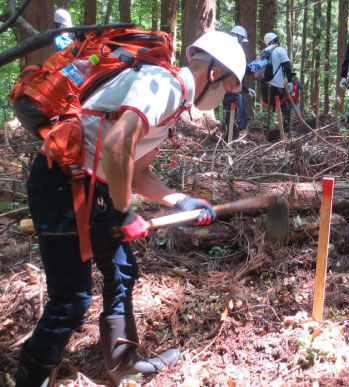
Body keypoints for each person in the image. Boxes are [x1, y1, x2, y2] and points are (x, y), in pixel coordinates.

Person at [14, 31, 246, 387]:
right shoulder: (163, 84)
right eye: (230, 84)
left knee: (121, 271)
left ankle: (123, 363)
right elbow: (118, 144)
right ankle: (31, 378)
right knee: (71, 300)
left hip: (96, 189)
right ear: (213, 72)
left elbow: (135, 172)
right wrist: (124, 212)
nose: (229, 93)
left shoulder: (173, 102)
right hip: (61, 185)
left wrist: (180, 200)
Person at [258, 32, 294, 142]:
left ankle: (264, 133)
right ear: (276, 40)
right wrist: (290, 81)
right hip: (277, 85)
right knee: (286, 107)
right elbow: (287, 66)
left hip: (264, 85)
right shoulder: (280, 50)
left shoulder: (263, 51)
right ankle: (285, 134)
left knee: (267, 108)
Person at [222, 25, 256, 139]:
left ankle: (229, 138)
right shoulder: (234, 50)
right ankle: (229, 140)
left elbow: (236, 76)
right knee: (234, 116)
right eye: (242, 42)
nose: (243, 45)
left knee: (231, 113)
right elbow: (248, 69)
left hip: (228, 87)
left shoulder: (225, 49)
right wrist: (258, 65)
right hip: (232, 90)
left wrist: (246, 90)